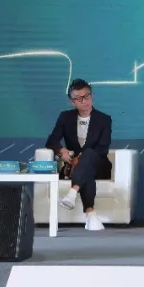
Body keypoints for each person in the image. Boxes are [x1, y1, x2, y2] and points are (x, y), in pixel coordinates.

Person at [44, 78, 112, 231]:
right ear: (72, 102)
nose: (84, 101)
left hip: (100, 165)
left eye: (87, 96)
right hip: (77, 167)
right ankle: (90, 214)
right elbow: (51, 141)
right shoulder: (65, 117)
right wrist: (61, 151)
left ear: (92, 96)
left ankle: (73, 191)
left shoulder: (104, 119)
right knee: (87, 173)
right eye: (79, 98)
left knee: (89, 154)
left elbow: (103, 148)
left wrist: (79, 159)